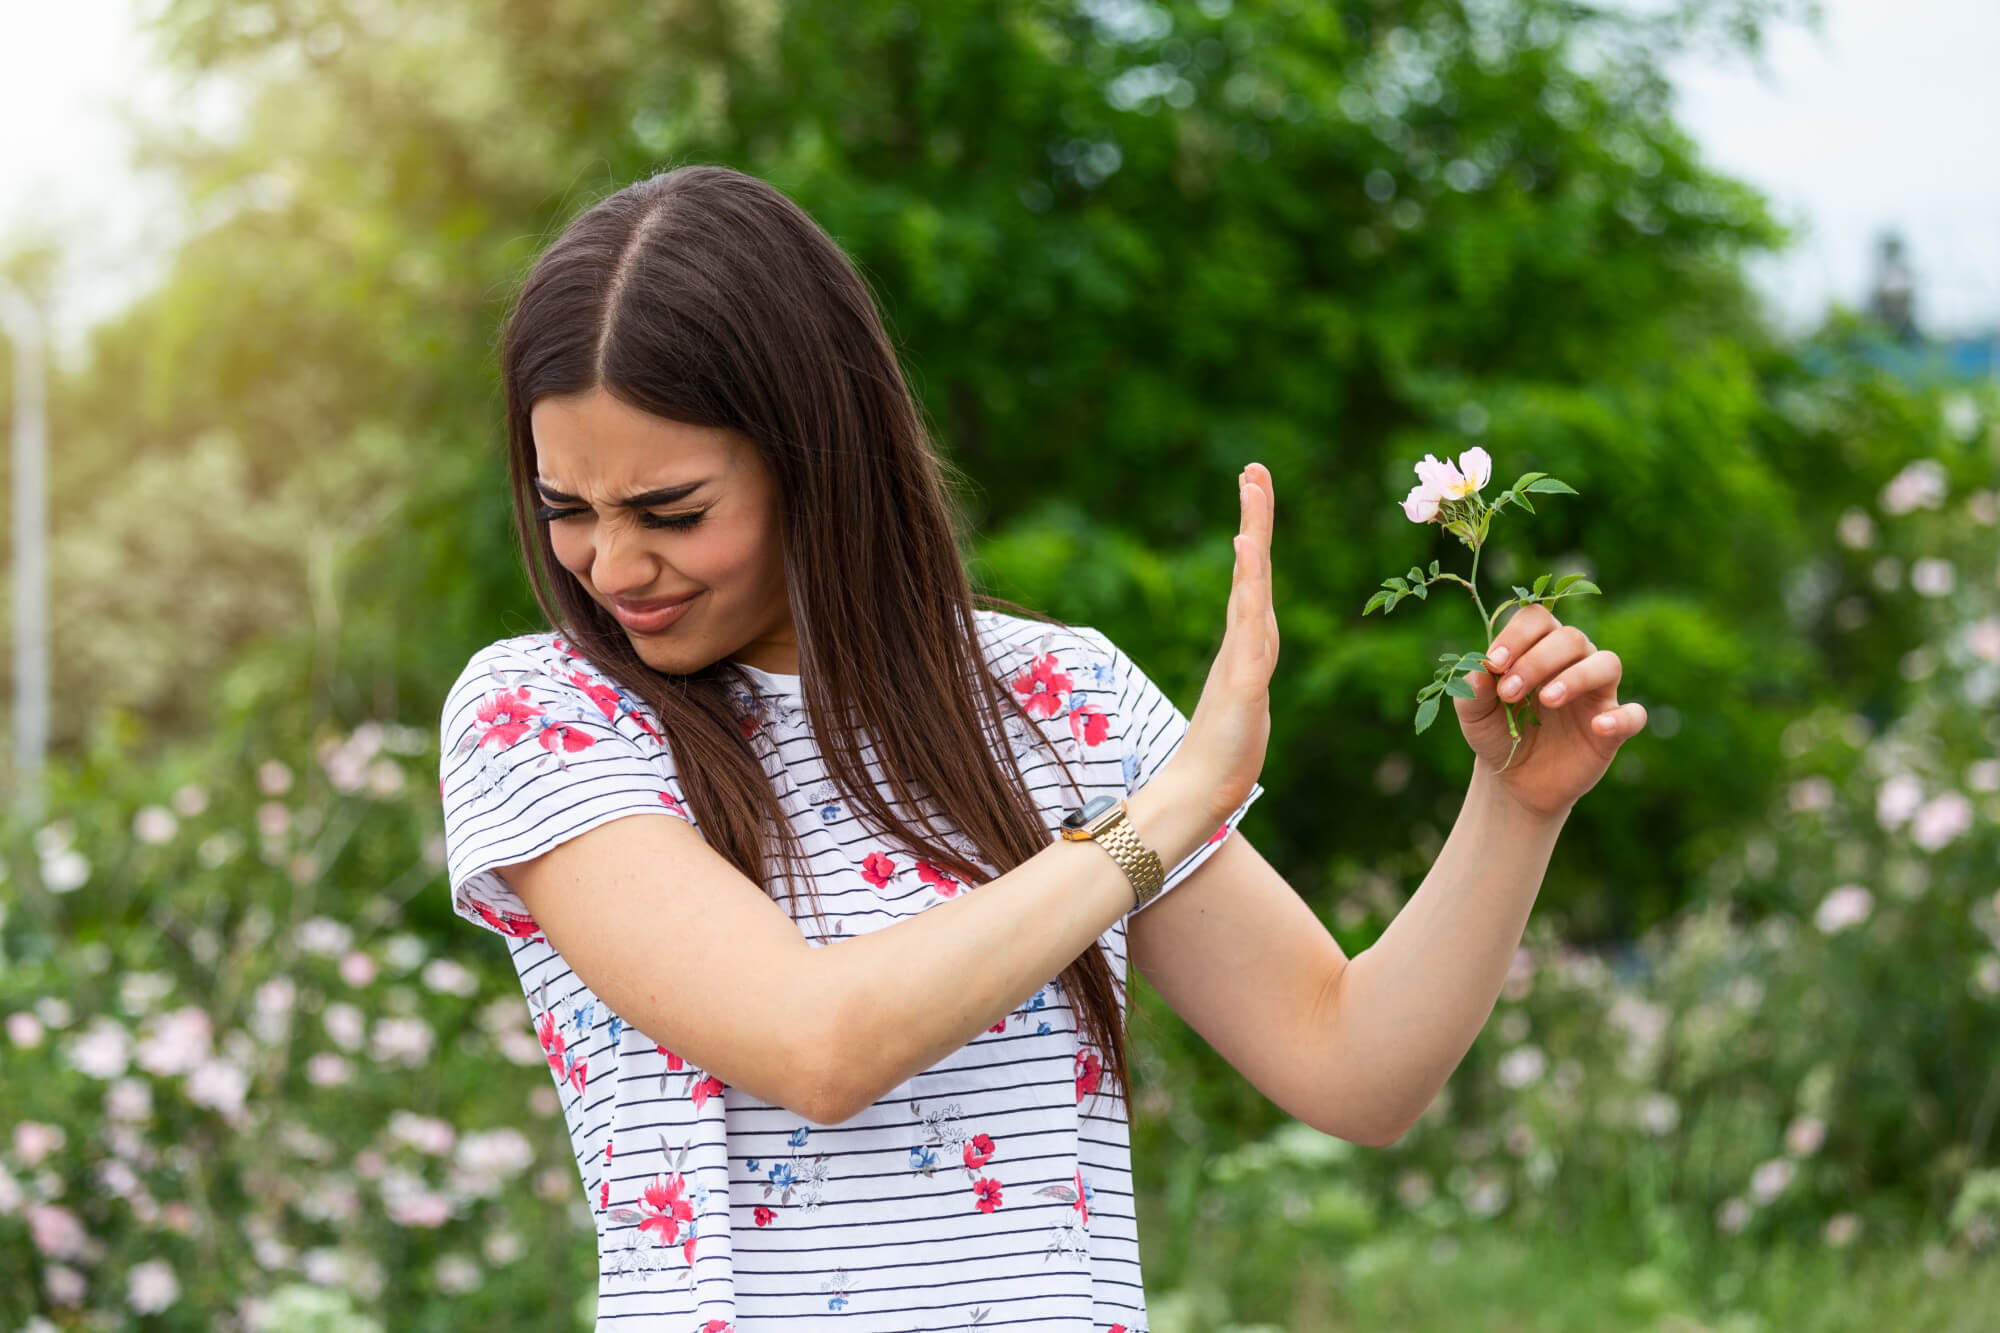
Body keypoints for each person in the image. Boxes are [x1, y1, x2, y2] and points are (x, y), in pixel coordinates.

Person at [437, 165, 1644, 1331]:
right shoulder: (546, 711)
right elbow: (820, 1045)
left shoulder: (1055, 697)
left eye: (671, 511)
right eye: (565, 509)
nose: (612, 565)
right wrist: (1163, 815)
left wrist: (1514, 804)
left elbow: (1353, 1068)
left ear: (811, 453)